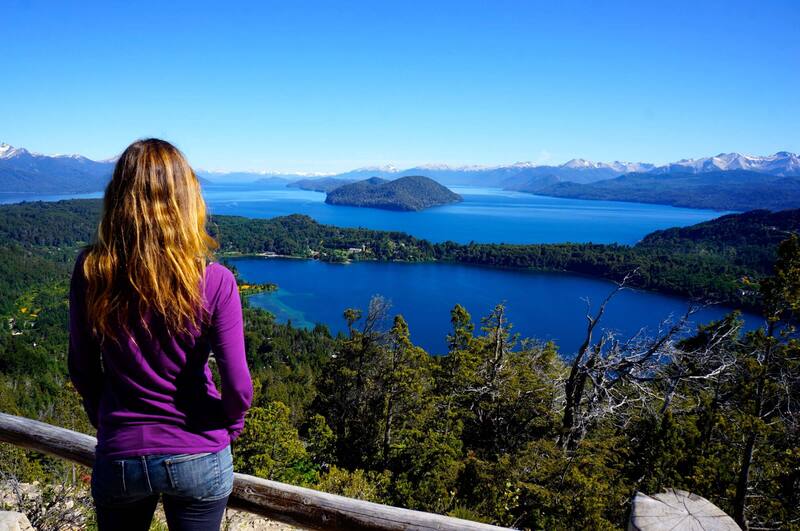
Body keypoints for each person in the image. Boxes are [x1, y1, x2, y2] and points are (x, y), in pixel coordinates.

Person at [68, 138, 254, 531]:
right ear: (187, 200)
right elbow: (238, 387)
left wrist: (107, 420)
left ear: (118, 198)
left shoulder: (91, 271)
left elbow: (82, 369)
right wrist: (230, 426)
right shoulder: (214, 281)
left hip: (120, 453)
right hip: (199, 451)